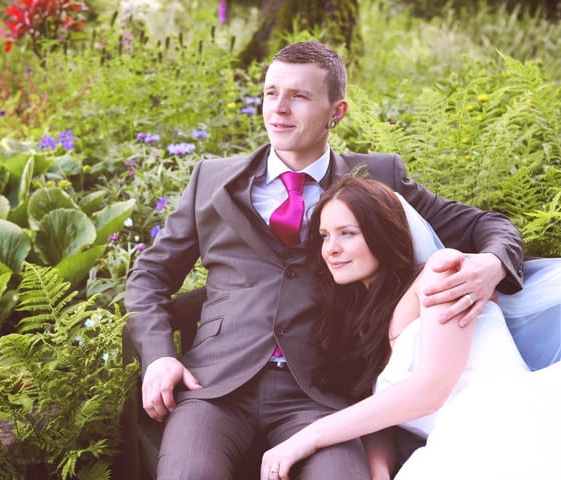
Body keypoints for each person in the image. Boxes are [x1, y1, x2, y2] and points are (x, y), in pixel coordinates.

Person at [124, 41, 525, 479]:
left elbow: (488, 226)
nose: (279, 109)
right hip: (214, 387)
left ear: (337, 112)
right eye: (271, 93)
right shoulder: (211, 179)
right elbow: (150, 275)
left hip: (320, 394)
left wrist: (491, 267)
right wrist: (160, 355)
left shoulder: (378, 178)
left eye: (298, 96)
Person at [259, 176, 561, 480]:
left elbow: (432, 389)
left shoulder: (443, 273)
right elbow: (382, 414)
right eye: (324, 236)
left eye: (347, 233)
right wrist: (379, 472)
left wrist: (306, 438)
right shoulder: (364, 327)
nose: (331, 249)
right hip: (453, 443)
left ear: (383, 234)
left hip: (508, 423)